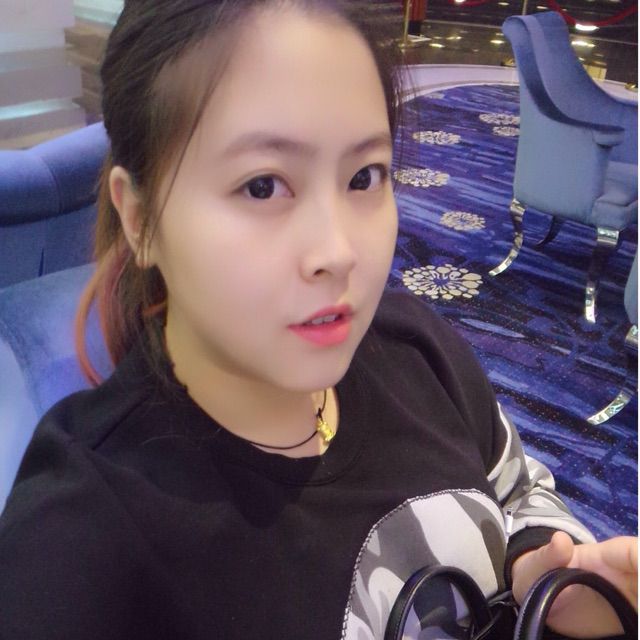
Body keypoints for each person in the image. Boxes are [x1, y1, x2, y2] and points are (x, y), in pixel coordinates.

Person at [0, 1, 636, 638]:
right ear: (140, 221)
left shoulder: (415, 344)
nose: (338, 252)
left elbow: (519, 491)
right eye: (262, 186)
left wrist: (544, 574)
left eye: (364, 176)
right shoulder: (81, 539)